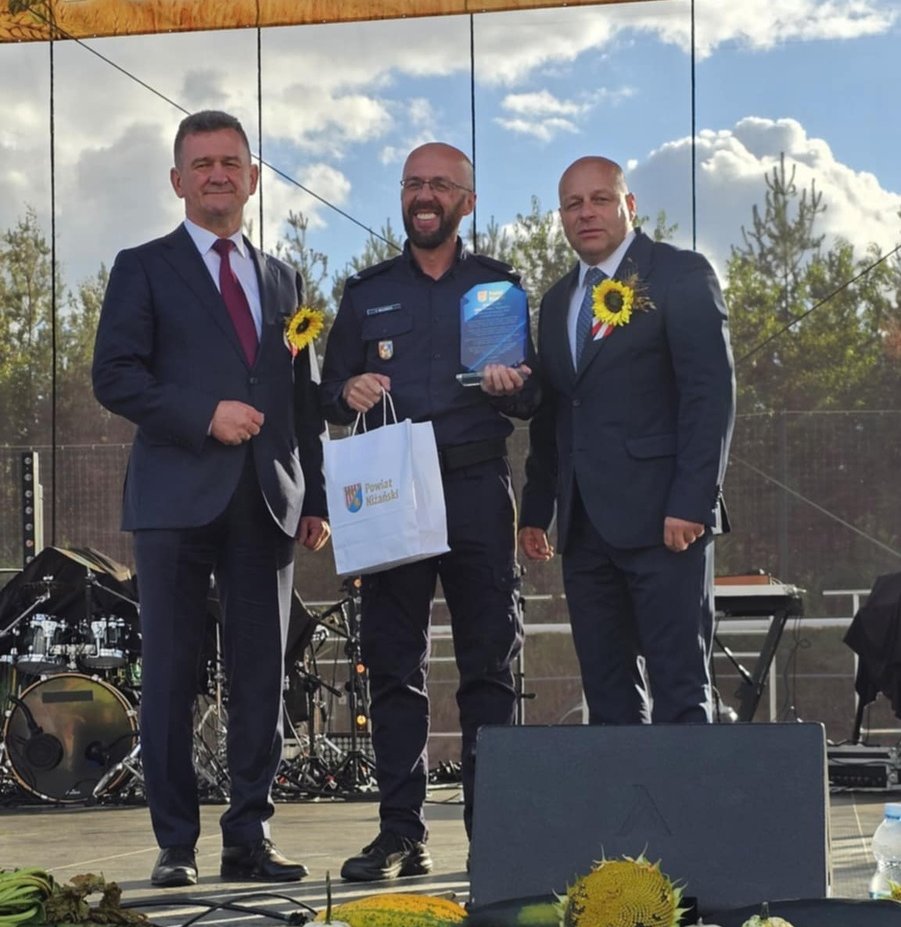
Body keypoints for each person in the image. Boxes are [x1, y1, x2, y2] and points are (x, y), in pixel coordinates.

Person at [92, 110, 330, 888]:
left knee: (261, 677)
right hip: (174, 501)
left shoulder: (284, 279)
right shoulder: (142, 268)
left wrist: (316, 497)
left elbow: (301, 397)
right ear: (177, 181)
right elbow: (114, 376)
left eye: (231, 162)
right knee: (169, 675)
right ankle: (176, 844)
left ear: (253, 177)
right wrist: (205, 415)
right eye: (202, 164)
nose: (218, 175)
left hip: (266, 501)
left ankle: (248, 836)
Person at [320, 142, 539, 881]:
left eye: (441, 185)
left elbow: (535, 398)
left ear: (466, 203)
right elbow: (326, 392)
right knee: (392, 665)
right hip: (391, 487)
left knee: (490, 667)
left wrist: (512, 386)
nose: (425, 195)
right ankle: (400, 833)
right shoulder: (366, 292)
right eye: (413, 183)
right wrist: (347, 390)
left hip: (476, 485)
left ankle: (495, 835)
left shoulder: (499, 288)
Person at [519, 155, 734, 725]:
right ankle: (625, 792)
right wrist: (537, 509)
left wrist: (693, 501)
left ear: (629, 205)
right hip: (584, 531)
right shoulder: (557, 301)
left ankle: (688, 790)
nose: (586, 213)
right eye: (573, 204)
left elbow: (710, 395)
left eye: (600, 199)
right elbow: (556, 411)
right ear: (561, 218)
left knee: (680, 691)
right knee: (608, 699)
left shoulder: (680, 273)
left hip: (667, 523)